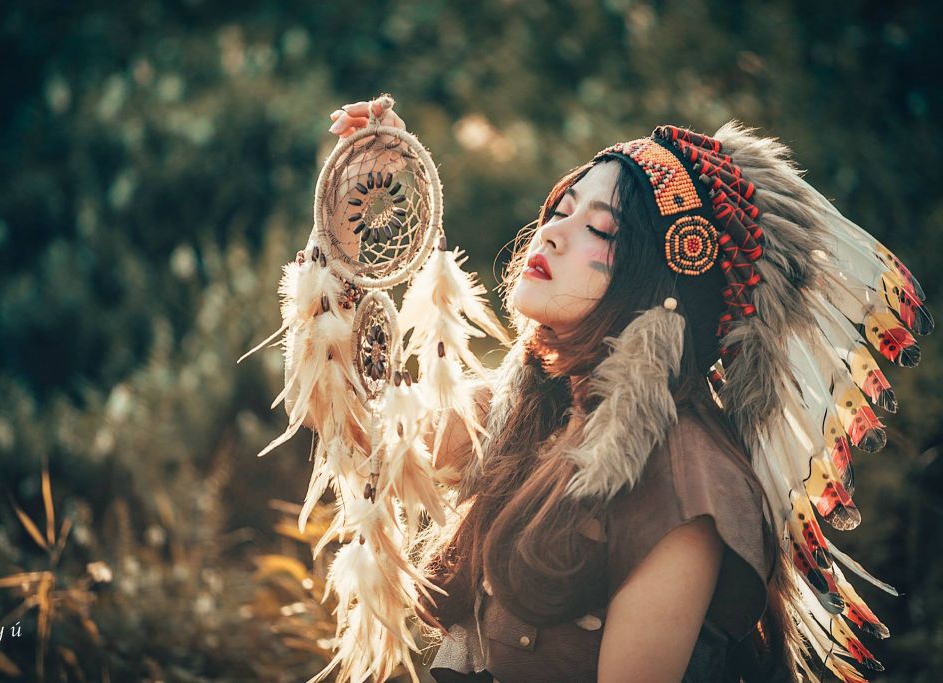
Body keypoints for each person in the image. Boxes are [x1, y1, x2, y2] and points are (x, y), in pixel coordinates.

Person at [304, 99, 930, 682]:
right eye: (561, 209)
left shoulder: (687, 489)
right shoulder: (534, 406)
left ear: (656, 283)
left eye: (599, 231)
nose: (550, 233)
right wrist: (347, 237)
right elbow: (360, 431)